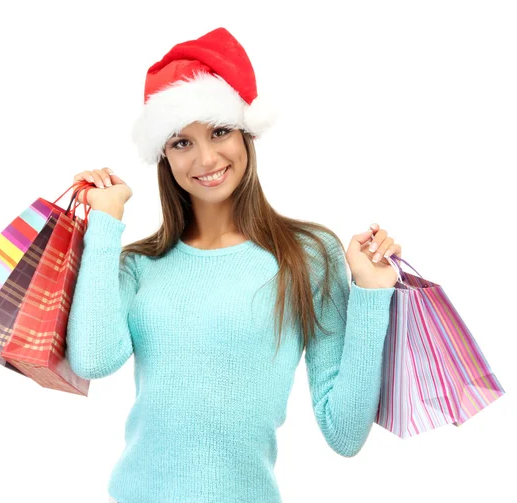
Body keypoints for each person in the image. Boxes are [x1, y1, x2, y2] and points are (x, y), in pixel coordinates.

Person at [65, 27, 403, 503]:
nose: (205, 158)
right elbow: (94, 360)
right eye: (182, 142)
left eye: (220, 131)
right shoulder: (138, 265)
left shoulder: (308, 255)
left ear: (246, 135)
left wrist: (371, 294)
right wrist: (105, 221)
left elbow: (344, 435)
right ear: (163, 154)